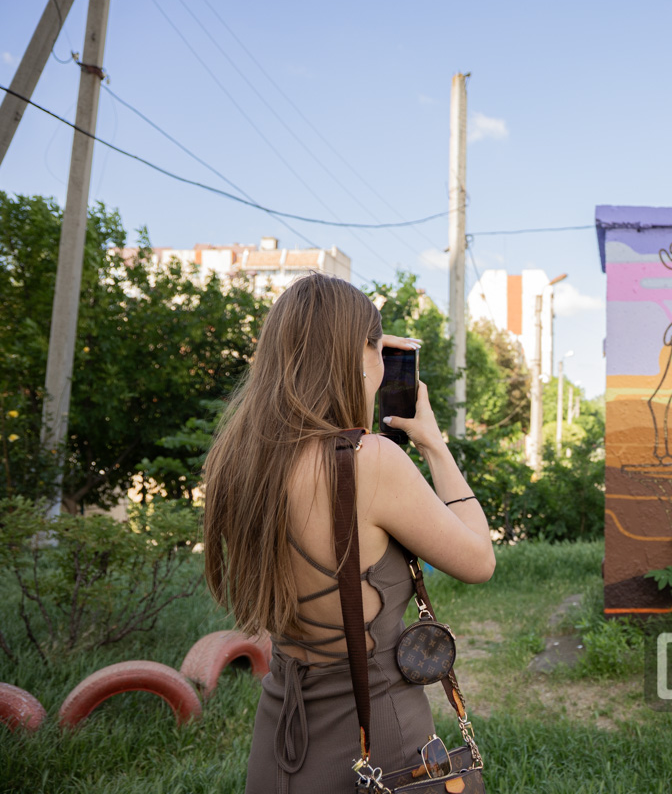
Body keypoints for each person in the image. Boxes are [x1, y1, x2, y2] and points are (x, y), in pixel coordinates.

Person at [201, 272, 495, 794]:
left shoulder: (239, 459)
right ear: (359, 355)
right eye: (377, 348)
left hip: (278, 728)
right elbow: (479, 560)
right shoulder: (368, 462)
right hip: (378, 732)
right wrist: (433, 443)